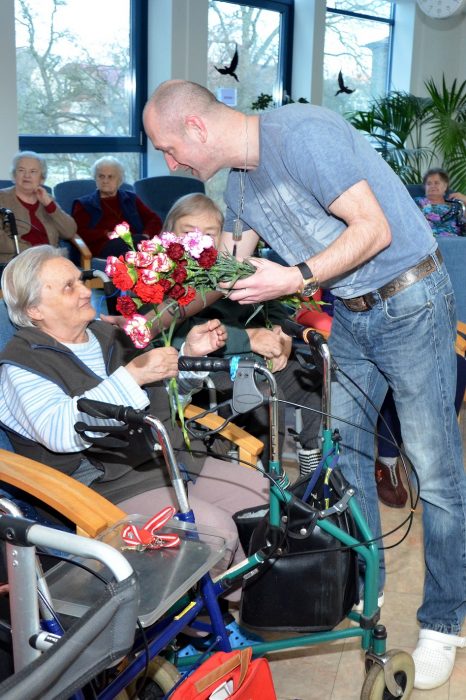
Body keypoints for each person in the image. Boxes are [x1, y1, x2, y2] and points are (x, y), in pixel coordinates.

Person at [142, 80, 466, 690]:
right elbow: (226, 274)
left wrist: (292, 277)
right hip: (353, 312)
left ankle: (445, 621)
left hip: (410, 299)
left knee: (435, 468)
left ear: (197, 128)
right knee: (346, 456)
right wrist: (150, 313)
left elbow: (374, 230)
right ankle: (368, 584)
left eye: (167, 146)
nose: (169, 162)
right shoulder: (237, 186)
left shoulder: (301, 134)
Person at [0, 245, 269, 565]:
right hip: (107, 490)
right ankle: (228, 596)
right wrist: (133, 375)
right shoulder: (21, 367)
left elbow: (165, 401)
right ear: (34, 310)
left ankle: (258, 593)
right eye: (68, 287)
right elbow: (61, 433)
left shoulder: (109, 335)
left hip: (173, 460)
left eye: (81, 280)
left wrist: (190, 358)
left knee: (265, 500)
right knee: (217, 534)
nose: (86, 291)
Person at [162, 192, 323, 464]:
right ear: (169, 233)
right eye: (188, 232)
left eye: (210, 233)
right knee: (266, 396)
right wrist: (249, 338)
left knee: (309, 378)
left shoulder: (229, 268)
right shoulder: (165, 276)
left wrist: (281, 334)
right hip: (208, 372)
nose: (199, 240)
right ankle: (268, 477)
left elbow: (272, 304)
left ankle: (310, 455)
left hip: (256, 362)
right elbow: (178, 334)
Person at [71, 156, 163, 258]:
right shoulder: (84, 204)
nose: (105, 181)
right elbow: (78, 232)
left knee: (144, 247)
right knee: (140, 249)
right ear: (95, 178)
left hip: (135, 242)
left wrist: (146, 235)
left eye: (110, 177)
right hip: (103, 247)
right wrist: (105, 234)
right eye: (101, 176)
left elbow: (154, 220)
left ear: (119, 180)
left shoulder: (131, 199)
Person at [0, 151, 77, 264]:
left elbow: (69, 232)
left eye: (33, 171)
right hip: (17, 262)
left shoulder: (47, 199)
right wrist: (32, 252)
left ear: (42, 178)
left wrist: (49, 205)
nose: (27, 175)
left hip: (50, 262)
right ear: (14, 175)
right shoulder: (2, 198)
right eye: (21, 170)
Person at [414, 168, 466, 237]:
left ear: (445, 186)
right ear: (425, 187)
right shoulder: (416, 202)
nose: (432, 186)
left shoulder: (456, 205)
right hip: (429, 240)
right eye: (429, 184)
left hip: (456, 240)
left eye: (436, 183)